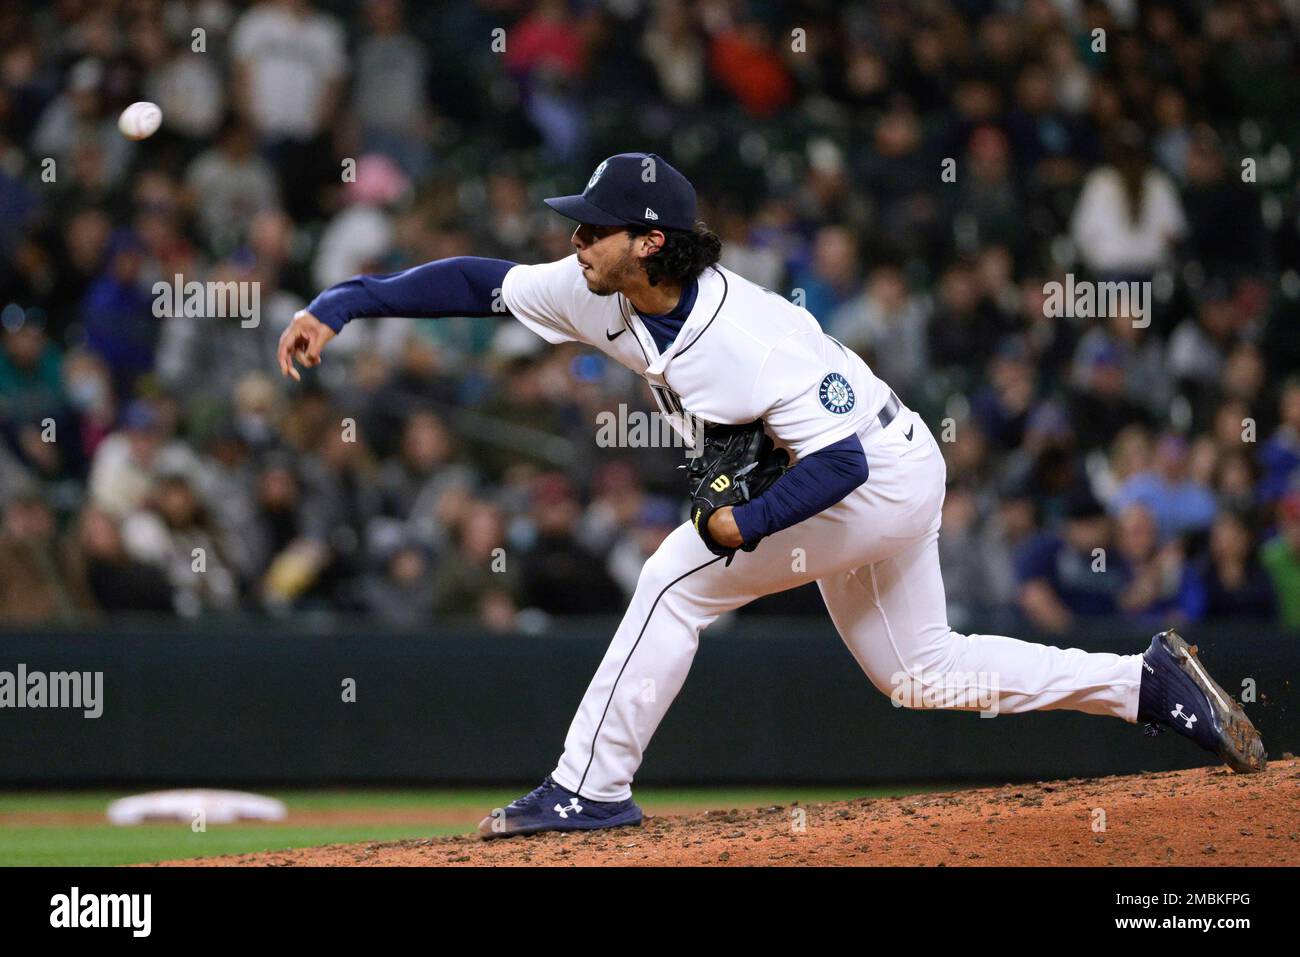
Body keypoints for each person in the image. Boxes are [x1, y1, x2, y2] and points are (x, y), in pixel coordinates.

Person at [276, 152, 1266, 839]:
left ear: (650, 242)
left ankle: (588, 787)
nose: (574, 239)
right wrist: (343, 303)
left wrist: (741, 523)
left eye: (594, 227)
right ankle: (1143, 685)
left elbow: (841, 467)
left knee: (674, 579)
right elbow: (476, 284)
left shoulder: (748, 334)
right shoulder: (593, 289)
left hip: (875, 472)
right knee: (918, 671)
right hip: (860, 469)